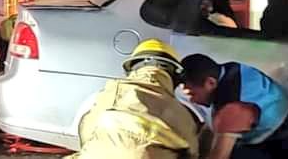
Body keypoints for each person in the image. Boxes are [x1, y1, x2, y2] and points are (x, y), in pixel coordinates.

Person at [67, 39, 200, 159]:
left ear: (133, 67)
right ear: (174, 75)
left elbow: (86, 132)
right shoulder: (182, 115)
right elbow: (193, 154)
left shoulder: (110, 93)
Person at [180, 54, 288, 159]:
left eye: (193, 94)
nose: (192, 100)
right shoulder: (230, 70)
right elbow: (211, 128)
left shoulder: (233, 106)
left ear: (210, 82)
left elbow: (219, 156)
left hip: (285, 146)